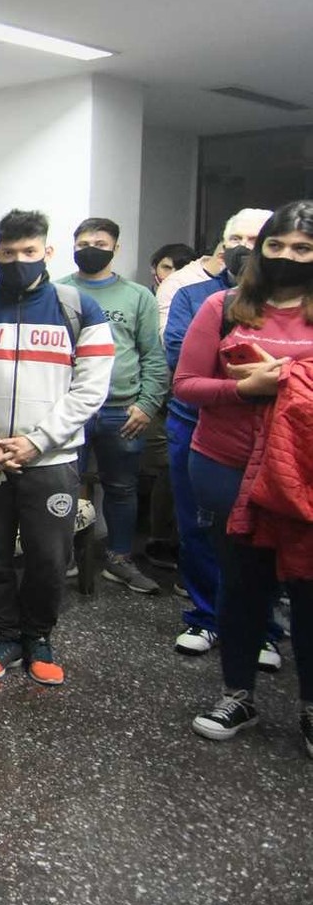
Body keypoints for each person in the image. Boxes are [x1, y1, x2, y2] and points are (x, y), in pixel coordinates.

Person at [0, 209, 113, 686]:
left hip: (51, 461)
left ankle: (39, 638)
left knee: (48, 558)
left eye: (30, 251)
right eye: (9, 253)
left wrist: (37, 441)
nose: (19, 261)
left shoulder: (79, 309)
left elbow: (91, 389)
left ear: (47, 252)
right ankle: (3, 636)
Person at [174, 201, 313, 752]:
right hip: (226, 467)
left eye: (302, 248)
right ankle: (238, 694)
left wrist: (289, 378)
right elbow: (186, 385)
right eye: (276, 246)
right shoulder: (224, 306)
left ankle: (310, 707)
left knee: (307, 590)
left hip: (304, 475)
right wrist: (244, 389)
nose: (287, 257)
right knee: (241, 585)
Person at [163, 208, 282, 661]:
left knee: (266, 535)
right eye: (237, 239)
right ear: (222, 244)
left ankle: (263, 628)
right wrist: (255, 379)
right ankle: (207, 616)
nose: (244, 248)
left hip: (273, 437)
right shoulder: (196, 297)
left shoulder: (290, 305)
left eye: (255, 240)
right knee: (199, 527)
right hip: (194, 427)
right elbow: (179, 355)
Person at [57, 217, 168, 594]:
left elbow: (153, 356)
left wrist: (147, 404)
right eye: (83, 243)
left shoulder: (138, 296)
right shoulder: (57, 292)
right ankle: (62, 557)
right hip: (69, 410)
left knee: (122, 488)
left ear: (115, 249)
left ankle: (119, 559)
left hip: (122, 411)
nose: (91, 249)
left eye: (101, 244)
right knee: (61, 484)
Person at [139, 243, 197, 568]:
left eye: (180, 269)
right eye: (166, 267)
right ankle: (159, 539)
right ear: (154, 269)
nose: (172, 275)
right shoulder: (145, 301)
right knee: (166, 468)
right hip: (151, 398)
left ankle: (180, 541)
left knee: (181, 471)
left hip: (184, 397)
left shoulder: (195, 302)